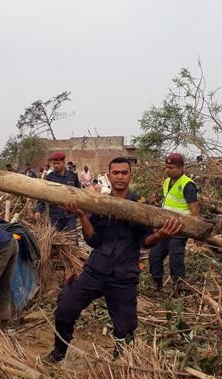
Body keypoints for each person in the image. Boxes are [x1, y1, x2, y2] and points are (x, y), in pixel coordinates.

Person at [43, 157, 182, 364]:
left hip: (124, 275)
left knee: (125, 328)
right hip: (96, 270)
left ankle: (120, 362)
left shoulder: (140, 206)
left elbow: (145, 241)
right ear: (109, 176)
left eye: (124, 173)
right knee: (65, 309)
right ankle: (60, 351)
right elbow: (93, 241)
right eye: (115, 173)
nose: (119, 177)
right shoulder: (99, 204)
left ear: (130, 176)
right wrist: (82, 216)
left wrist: (160, 235)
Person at [149, 153, 199, 292]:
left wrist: (196, 233)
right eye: (166, 167)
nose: (167, 170)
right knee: (155, 253)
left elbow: (194, 210)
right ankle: (157, 283)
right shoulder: (166, 182)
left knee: (175, 256)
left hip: (180, 228)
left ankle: (179, 285)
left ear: (180, 168)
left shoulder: (188, 185)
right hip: (165, 226)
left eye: (170, 167)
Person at [34, 151, 81, 231]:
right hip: (55, 216)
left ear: (63, 162)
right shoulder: (50, 177)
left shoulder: (72, 176)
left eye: (58, 163)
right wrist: (39, 210)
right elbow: (43, 195)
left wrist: (80, 212)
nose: (55, 166)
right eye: (54, 163)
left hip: (70, 215)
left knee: (71, 239)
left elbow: (79, 194)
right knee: (55, 239)